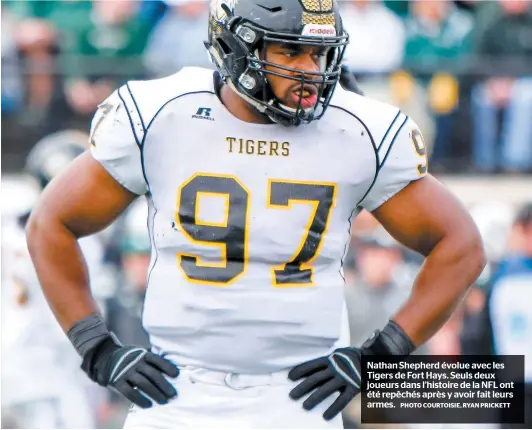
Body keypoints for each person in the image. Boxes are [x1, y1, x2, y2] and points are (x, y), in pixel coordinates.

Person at [26, 0, 486, 428]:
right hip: (175, 392)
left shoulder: (359, 127)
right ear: (235, 47)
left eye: (320, 55)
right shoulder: (162, 114)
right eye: (292, 53)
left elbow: (461, 246)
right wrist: (97, 348)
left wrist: (383, 353)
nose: (311, 72)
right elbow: (51, 224)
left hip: (299, 397)